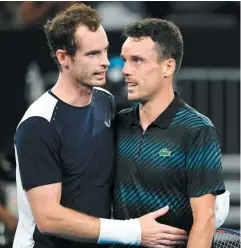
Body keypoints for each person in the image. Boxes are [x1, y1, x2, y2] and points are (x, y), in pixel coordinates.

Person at [13, 4, 187, 248]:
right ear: (63, 58)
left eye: (105, 51)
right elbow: (48, 218)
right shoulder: (38, 124)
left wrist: (205, 190)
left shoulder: (105, 101)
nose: (106, 62)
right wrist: (132, 231)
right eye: (93, 54)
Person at [113, 18, 226, 248]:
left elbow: (205, 221)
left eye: (137, 61)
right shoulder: (117, 123)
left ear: (168, 66)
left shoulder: (197, 130)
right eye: (125, 60)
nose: (125, 70)